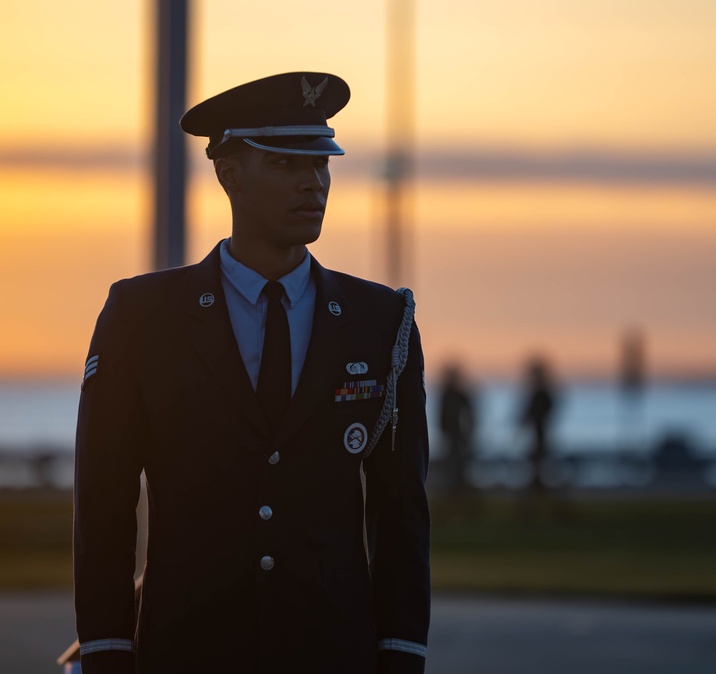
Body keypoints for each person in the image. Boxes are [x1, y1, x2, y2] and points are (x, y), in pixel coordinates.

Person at [73, 72, 430, 674]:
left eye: (321, 163)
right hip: (187, 650)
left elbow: (400, 515)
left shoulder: (381, 319)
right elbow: (103, 503)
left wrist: (401, 654)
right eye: (288, 163)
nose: (313, 182)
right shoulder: (143, 317)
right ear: (228, 173)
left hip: (331, 652)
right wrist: (107, 651)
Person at [519, 356, 555, 492]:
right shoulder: (539, 392)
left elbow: (537, 411)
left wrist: (528, 419)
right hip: (538, 432)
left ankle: (538, 484)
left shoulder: (541, 393)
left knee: (538, 458)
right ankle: (537, 483)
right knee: (537, 459)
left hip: (540, 432)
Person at [437, 363, 474, 496]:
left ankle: (459, 485)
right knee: (451, 459)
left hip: (460, 434)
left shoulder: (459, 395)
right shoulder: (447, 395)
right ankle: (453, 486)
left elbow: (469, 415)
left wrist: (468, 431)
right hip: (451, 433)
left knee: (459, 459)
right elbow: (442, 415)